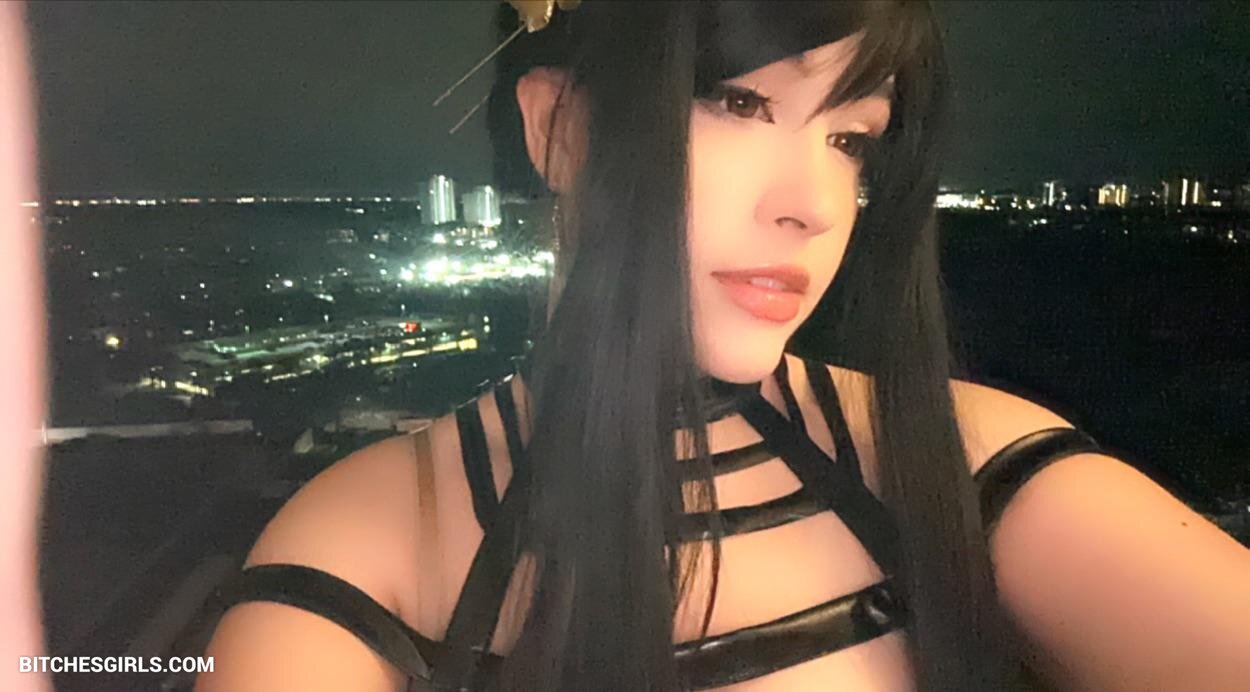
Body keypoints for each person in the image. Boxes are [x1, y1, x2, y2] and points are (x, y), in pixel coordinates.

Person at [197, 2, 1250, 691]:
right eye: (739, 103)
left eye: (851, 139)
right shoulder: (369, 548)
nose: (812, 204)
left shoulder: (963, 463)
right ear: (557, 127)